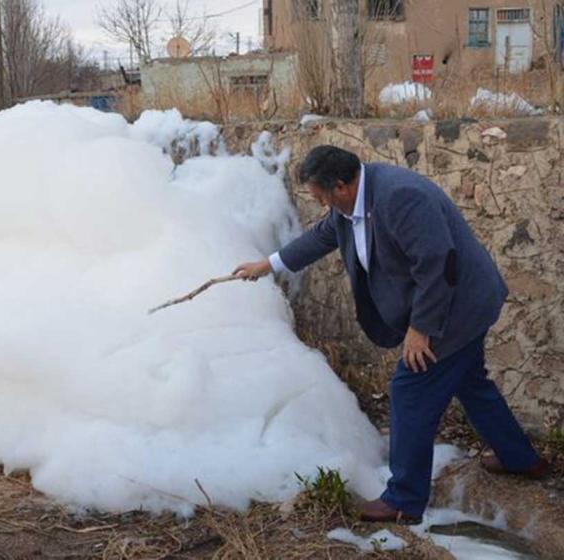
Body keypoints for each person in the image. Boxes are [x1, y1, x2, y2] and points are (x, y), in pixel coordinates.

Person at [233, 145, 548, 524]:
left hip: (457, 306)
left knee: (408, 390)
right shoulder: (351, 203)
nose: (321, 206)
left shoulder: (400, 197)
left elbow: (438, 265)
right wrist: (267, 265)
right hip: (453, 303)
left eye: (321, 197)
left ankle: (404, 500)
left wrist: (421, 329)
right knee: (471, 383)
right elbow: (321, 237)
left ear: (341, 186)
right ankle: (521, 460)